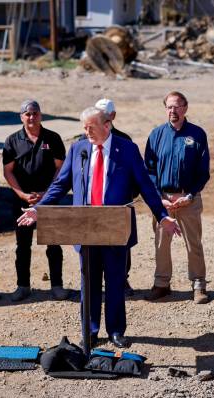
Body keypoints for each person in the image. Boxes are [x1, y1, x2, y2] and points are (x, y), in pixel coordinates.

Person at [18, 107, 180, 349]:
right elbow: (60, 185)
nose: (87, 132)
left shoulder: (126, 149)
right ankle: (90, 330)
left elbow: (146, 186)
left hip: (115, 226)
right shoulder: (78, 149)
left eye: (91, 127)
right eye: (84, 127)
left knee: (115, 281)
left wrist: (163, 216)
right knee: (89, 281)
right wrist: (39, 208)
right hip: (84, 226)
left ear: (106, 125)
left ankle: (115, 331)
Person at [143, 91, 210, 303]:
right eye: (169, 107)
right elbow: (149, 170)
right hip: (163, 200)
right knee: (161, 243)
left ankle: (198, 284)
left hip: (188, 199)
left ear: (185, 108)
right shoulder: (156, 135)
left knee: (193, 243)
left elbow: (203, 171)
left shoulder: (197, 134)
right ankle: (162, 284)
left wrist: (190, 195)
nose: (173, 111)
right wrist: (158, 197)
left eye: (177, 107)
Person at [3, 99, 67, 302]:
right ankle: (23, 286)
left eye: (35, 113)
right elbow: (8, 171)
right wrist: (22, 194)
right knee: (22, 246)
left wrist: (48, 194)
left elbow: (60, 168)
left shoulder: (53, 138)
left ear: (41, 115)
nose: (31, 117)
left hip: (48, 201)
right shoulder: (12, 140)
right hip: (23, 202)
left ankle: (57, 286)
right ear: (21, 117)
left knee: (54, 245)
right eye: (27, 114)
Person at [93, 98, 136, 297]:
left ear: (113, 117)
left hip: (120, 205)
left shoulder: (125, 141)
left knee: (121, 244)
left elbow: (136, 175)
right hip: (94, 206)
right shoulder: (85, 140)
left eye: (105, 115)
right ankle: (95, 281)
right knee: (95, 244)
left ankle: (122, 279)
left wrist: (128, 197)